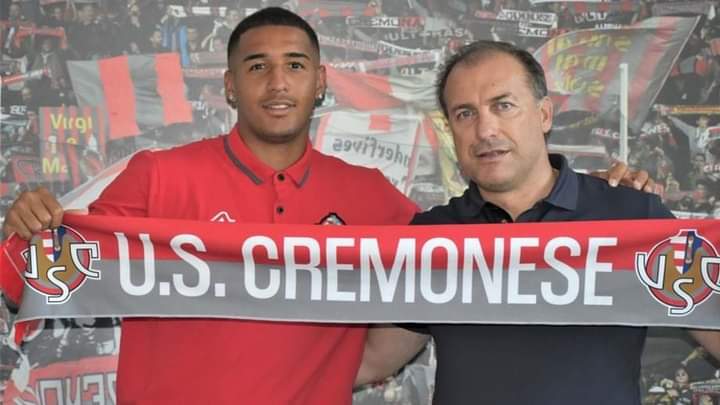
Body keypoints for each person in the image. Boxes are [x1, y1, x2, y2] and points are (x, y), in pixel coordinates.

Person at [2, 9, 653, 405]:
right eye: (256, 66)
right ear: (228, 86)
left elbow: (476, 241)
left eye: (295, 65)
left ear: (320, 82)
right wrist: (25, 230)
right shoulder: (156, 176)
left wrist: (614, 202)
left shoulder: (374, 199)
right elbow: (31, 278)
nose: (277, 82)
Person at [355, 40, 720, 404]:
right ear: (451, 130)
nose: (485, 130)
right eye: (465, 113)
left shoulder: (632, 218)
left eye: (503, 106)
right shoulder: (433, 238)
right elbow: (372, 361)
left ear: (544, 115)